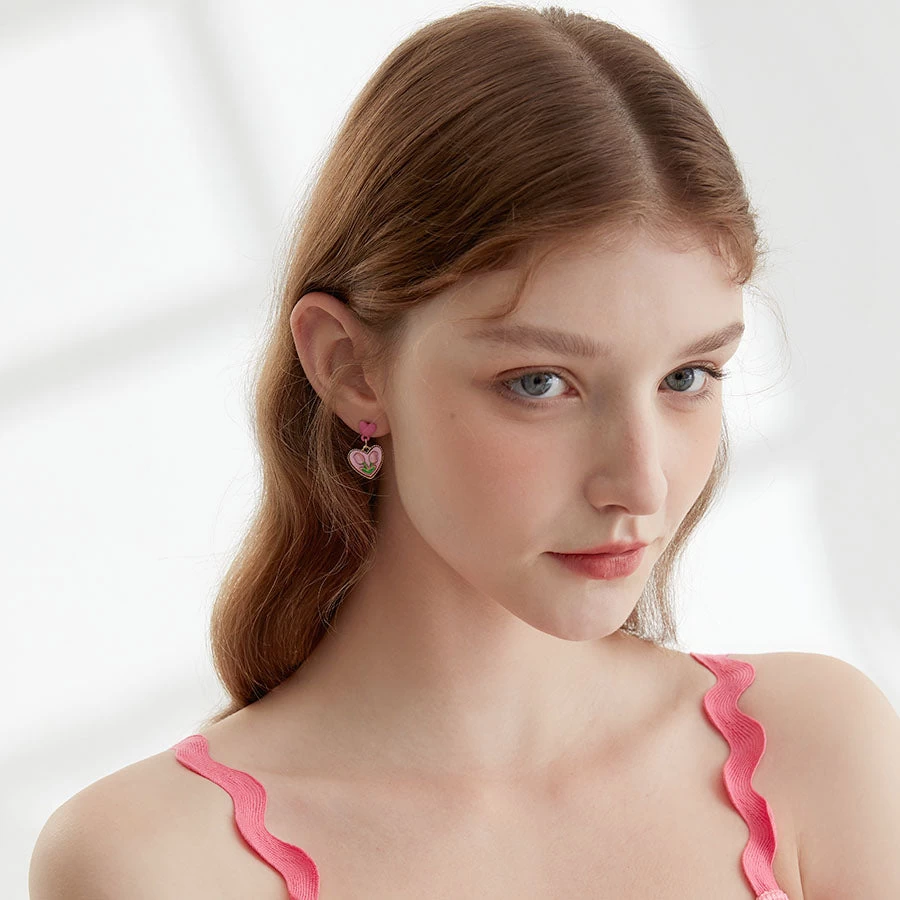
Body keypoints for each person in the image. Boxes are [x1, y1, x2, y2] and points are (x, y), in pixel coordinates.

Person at [30, 5, 900, 899]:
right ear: (350, 368)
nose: (640, 483)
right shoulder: (158, 864)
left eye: (687, 377)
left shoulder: (817, 757)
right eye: (540, 383)